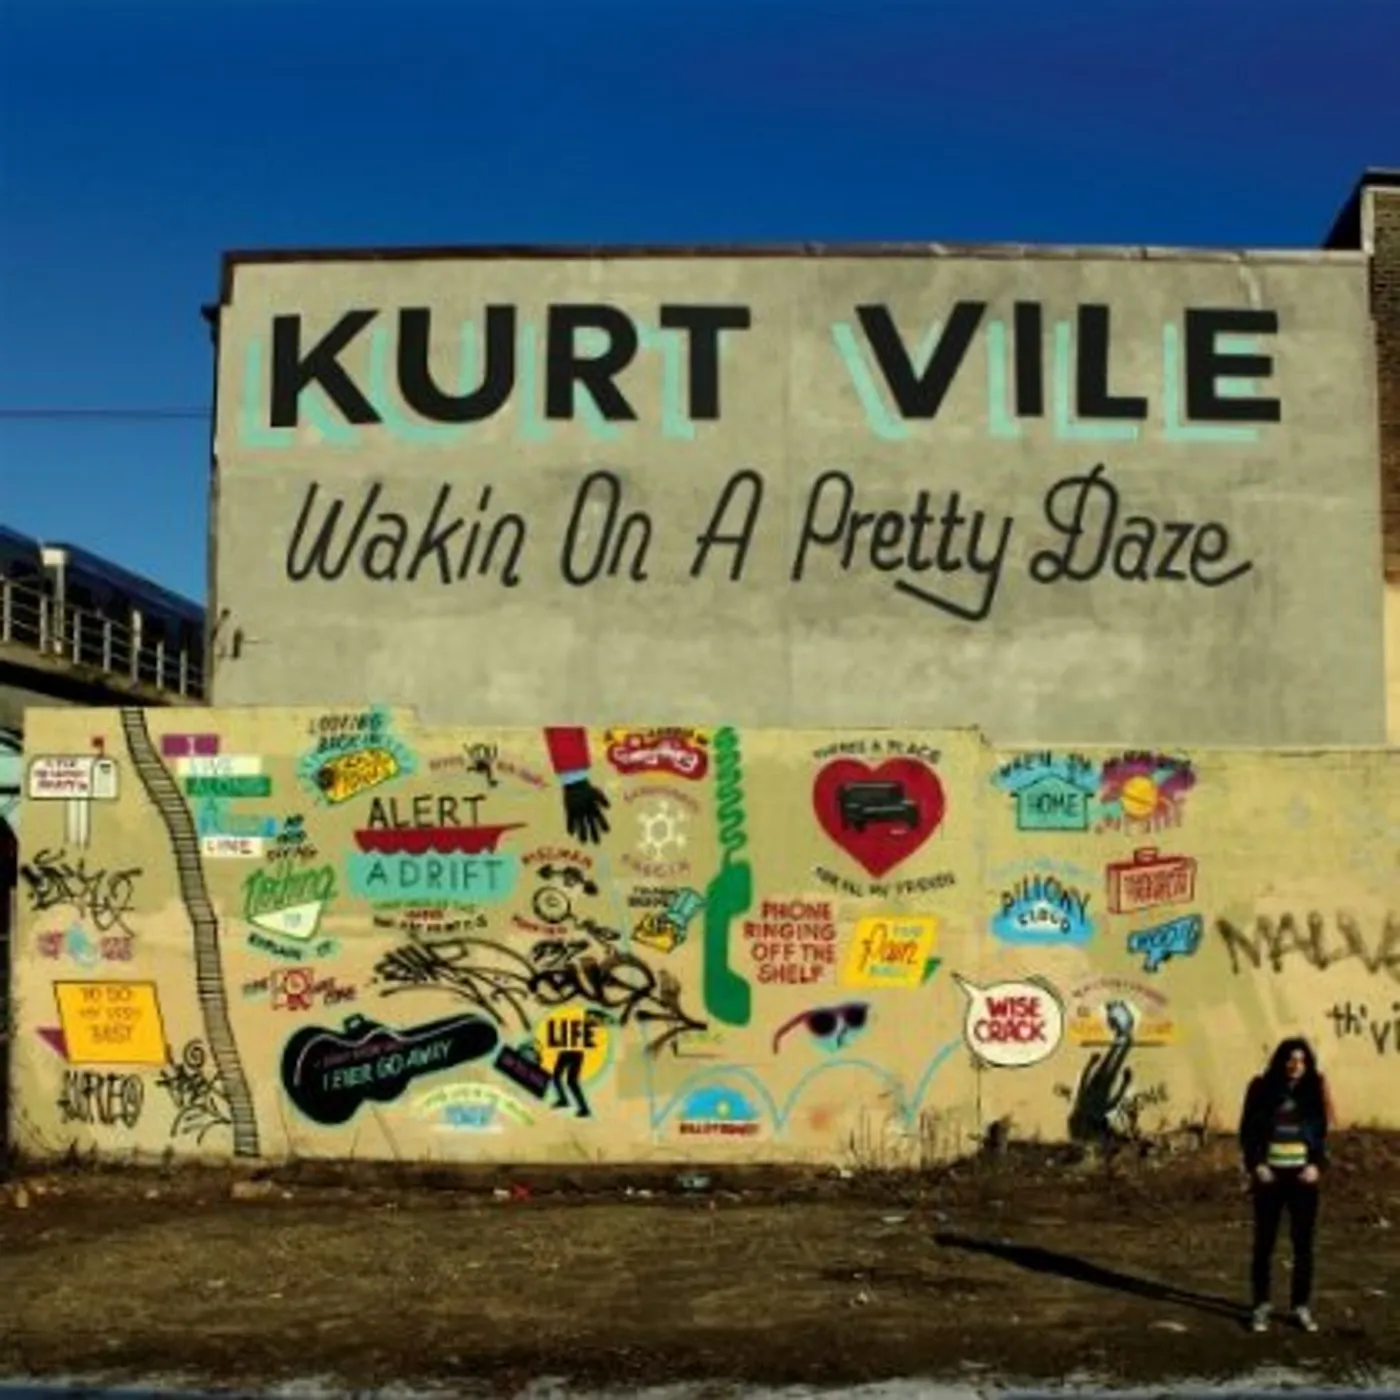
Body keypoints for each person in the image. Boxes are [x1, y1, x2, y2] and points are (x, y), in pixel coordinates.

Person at [1238, 1037, 1331, 1334]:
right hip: (1270, 1177)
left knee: (1303, 1246)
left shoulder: (1313, 1091)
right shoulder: (1261, 1088)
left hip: (1302, 1178)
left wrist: (1316, 1165)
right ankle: (1261, 1306)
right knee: (1264, 1244)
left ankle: (1300, 1307)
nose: (1296, 1066)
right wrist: (1257, 1166)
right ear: (1281, 1061)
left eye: (1302, 1061)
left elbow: (1320, 1133)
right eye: (1291, 1059)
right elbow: (1248, 1131)